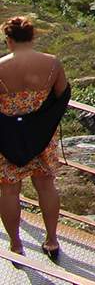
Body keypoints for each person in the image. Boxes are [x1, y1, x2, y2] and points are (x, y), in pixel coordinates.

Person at [0, 17, 68, 263]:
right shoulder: (52, 63)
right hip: (41, 136)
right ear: (32, 37)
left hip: (6, 138)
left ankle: (16, 245)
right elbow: (62, 94)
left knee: (9, 191)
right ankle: (52, 240)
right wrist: (42, 122)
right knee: (46, 186)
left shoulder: (1, 67)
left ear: (9, 40)